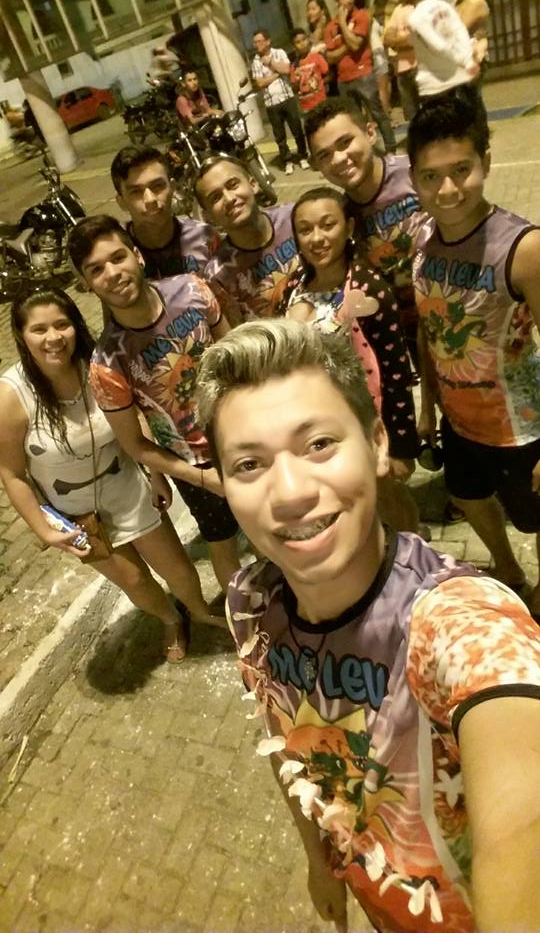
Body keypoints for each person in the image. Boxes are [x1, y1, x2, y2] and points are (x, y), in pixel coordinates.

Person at [195, 318, 540, 933]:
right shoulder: (250, 603)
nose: (291, 492)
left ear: (378, 443)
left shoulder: (456, 624)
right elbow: (287, 740)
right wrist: (318, 859)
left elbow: (523, 820)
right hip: (376, 898)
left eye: (319, 444)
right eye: (249, 463)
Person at [0, 289, 223, 663]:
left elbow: (135, 418)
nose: (53, 338)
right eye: (39, 329)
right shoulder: (11, 396)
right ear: (22, 336)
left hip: (127, 487)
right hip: (76, 514)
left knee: (178, 569)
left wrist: (156, 474)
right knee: (134, 581)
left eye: (61, 325)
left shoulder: (98, 366)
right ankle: (171, 619)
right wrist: (44, 531)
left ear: (75, 326)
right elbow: (11, 474)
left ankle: (199, 611)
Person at [408, 86, 540, 614]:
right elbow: (428, 327)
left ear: (486, 161)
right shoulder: (421, 239)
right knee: (465, 494)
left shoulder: (523, 247)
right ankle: (507, 567)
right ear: (413, 178)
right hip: (459, 420)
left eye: (461, 170)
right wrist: (426, 406)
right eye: (430, 176)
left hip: (521, 426)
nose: (447, 189)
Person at [67, 215, 240, 597]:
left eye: (118, 258)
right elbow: (136, 445)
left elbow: (238, 355)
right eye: (96, 269)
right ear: (87, 284)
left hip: (246, 434)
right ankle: (252, 618)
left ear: (138, 255)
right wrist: (200, 479)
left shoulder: (193, 290)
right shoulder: (107, 365)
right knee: (224, 542)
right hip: (195, 465)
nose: (112, 273)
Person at [285, 186, 420, 531]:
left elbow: (395, 371)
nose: (317, 238)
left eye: (327, 225)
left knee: (387, 495)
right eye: (305, 229)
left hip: (364, 420)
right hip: (315, 423)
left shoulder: (369, 289)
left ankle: (412, 548)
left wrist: (401, 444)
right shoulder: (295, 284)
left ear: (348, 228)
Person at [304, 96, 427, 373]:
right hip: (408, 334)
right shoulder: (341, 218)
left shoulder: (415, 174)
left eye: (345, 142)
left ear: (370, 132)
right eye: (324, 155)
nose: (338, 159)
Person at [195, 155, 297, 324]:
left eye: (233, 185)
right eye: (215, 198)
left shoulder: (295, 219)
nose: (229, 199)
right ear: (208, 216)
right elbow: (238, 332)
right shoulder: (218, 276)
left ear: (253, 184)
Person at [111, 145, 218, 281]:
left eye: (158, 186)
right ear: (121, 201)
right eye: (136, 192)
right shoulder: (114, 250)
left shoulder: (204, 237)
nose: (150, 199)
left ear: (172, 187)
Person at [324, 0, 396, 154]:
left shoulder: (362, 16)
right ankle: (366, 151)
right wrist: (347, 45)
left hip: (364, 74)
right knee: (354, 121)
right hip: (343, 79)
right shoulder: (330, 26)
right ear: (337, 1)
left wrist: (343, 24)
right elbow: (330, 57)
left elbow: (356, 45)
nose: (349, 0)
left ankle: (391, 150)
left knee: (378, 113)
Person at [404, 0, 479, 98]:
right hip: (461, 78)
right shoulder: (444, 5)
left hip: (435, 86)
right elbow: (460, 31)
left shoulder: (416, 18)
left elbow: (439, 46)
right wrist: (468, 60)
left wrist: (466, 62)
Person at [251, 29, 310, 176]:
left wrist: (271, 62)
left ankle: (303, 156)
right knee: (279, 136)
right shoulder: (255, 61)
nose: (256, 44)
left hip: (287, 97)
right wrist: (277, 74)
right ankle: (287, 160)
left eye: (259, 41)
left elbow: (287, 69)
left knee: (297, 129)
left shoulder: (279, 53)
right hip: (271, 103)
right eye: (255, 42)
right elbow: (260, 83)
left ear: (268, 41)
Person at [383, 0, 419, 121]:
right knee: (411, 114)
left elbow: (417, 39)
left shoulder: (419, 8)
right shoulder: (398, 10)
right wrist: (404, 40)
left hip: (419, 65)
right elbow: (387, 39)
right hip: (402, 69)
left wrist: (398, 41)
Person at [454, 0, 490, 79]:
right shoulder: (458, 2)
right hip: (462, 55)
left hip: (475, 54)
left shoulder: (476, 1)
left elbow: (460, 28)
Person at [371, 0, 396, 117]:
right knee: (384, 79)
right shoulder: (371, 9)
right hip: (378, 46)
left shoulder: (394, 5)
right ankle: (388, 106)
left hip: (392, 42)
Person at [290, 29, 328, 114]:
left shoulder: (316, 57)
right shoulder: (294, 66)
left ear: (308, 40)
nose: (302, 44)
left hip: (321, 101)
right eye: (298, 42)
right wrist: (298, 80)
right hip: (306, 106)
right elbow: (294, 88)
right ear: (294, 46)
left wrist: (319, 84)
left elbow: (328, 73)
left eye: (304, 39)